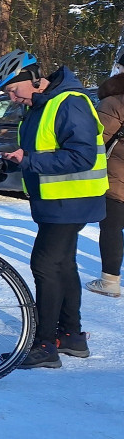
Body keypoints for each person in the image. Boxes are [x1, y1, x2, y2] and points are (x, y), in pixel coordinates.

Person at [0, 50, 107, 368]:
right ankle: (71, 335)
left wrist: (29, 160)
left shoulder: (69, 102)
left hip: (71, 200)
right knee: (63, 265)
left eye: (13, 90)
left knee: (44, 264)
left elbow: (82, 156)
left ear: (31, 80)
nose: (13, 98)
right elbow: (36, 149)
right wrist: (11, 160)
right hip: (56, 201)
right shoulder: (40, 105)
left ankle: (44, 345)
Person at [90, 68, 124, 297]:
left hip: (117, 178)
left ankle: (110, 281)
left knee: (111, 228)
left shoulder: (114, 102)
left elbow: (95, 139)